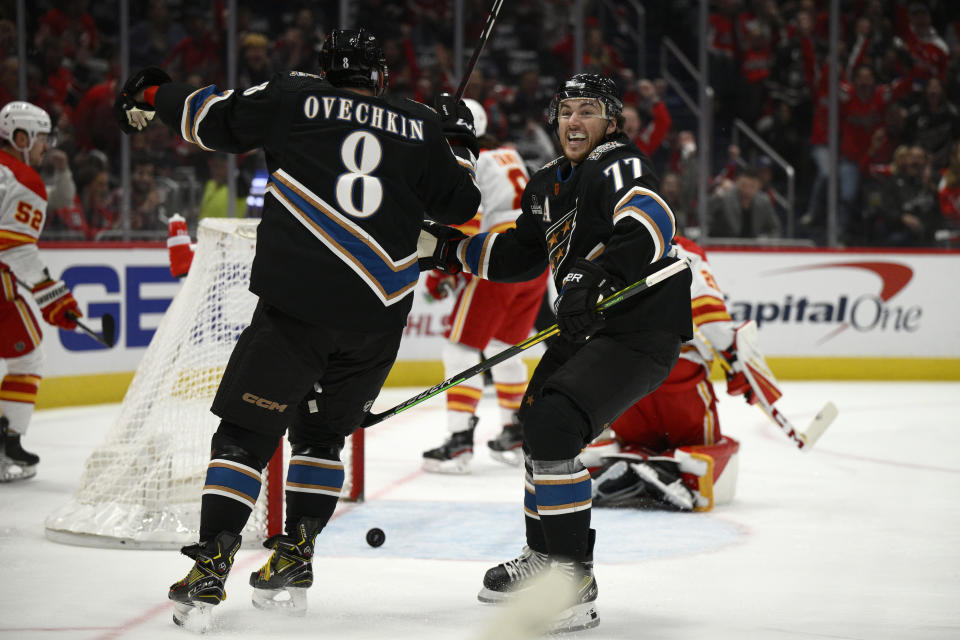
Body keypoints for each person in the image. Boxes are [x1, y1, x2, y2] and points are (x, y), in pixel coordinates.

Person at [114, 28, 480, 628]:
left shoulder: (294, 97)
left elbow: (213, 120)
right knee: (320, 440)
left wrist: (155, 90)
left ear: (326, 69)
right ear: (379, 77)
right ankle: (295, 556)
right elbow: (460, 206)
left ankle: (210, 566)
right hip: (375, 320)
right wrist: (456, 143)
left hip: (298, 307)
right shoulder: (418, 122)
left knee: (244, 437)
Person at [419, 73, 692, 633]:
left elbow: (651, 221)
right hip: (586, 329)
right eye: (566, 110)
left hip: (638, 328)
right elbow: (520, 253)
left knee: (556, 419)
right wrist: (451, 250)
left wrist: (594, 277)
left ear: (611, 122)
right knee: (538, 420)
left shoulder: (620, 162)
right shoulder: (545, 183)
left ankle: (573, 578)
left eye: (588, 111)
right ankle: (546, 558)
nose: (574, 121)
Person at [420, 99, 549, 473]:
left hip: (499, 258)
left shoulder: (473, 161)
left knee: (460, 349)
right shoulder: (509, 155)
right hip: (534, 260)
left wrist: (443, 273)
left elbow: (468, 223)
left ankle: (459, 441)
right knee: (504, 348)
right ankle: (515, 430)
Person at [581, 235, 743, 512]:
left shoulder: (599, 246)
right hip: (677, 370)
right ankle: (676, 470)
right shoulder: (684, 249)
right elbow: (709, 311)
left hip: (621, 377)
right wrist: (735, 359)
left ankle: (629, 460)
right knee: (707, 444)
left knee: (634, 439)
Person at [0, 101, 82, 481]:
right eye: (41, 138)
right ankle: (6, 446)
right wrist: (54, 296)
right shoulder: (24, 180)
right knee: (28, 358)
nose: (45, 147)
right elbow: (14, 247)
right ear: (20, 137)